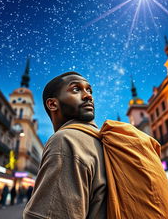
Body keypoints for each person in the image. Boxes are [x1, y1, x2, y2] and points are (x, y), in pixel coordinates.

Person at [23, 72, 107, 218]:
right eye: (76, 89)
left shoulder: (65, 140)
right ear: (53, 104)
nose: (89, 96)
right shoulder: (102, 140)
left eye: (89, 90)